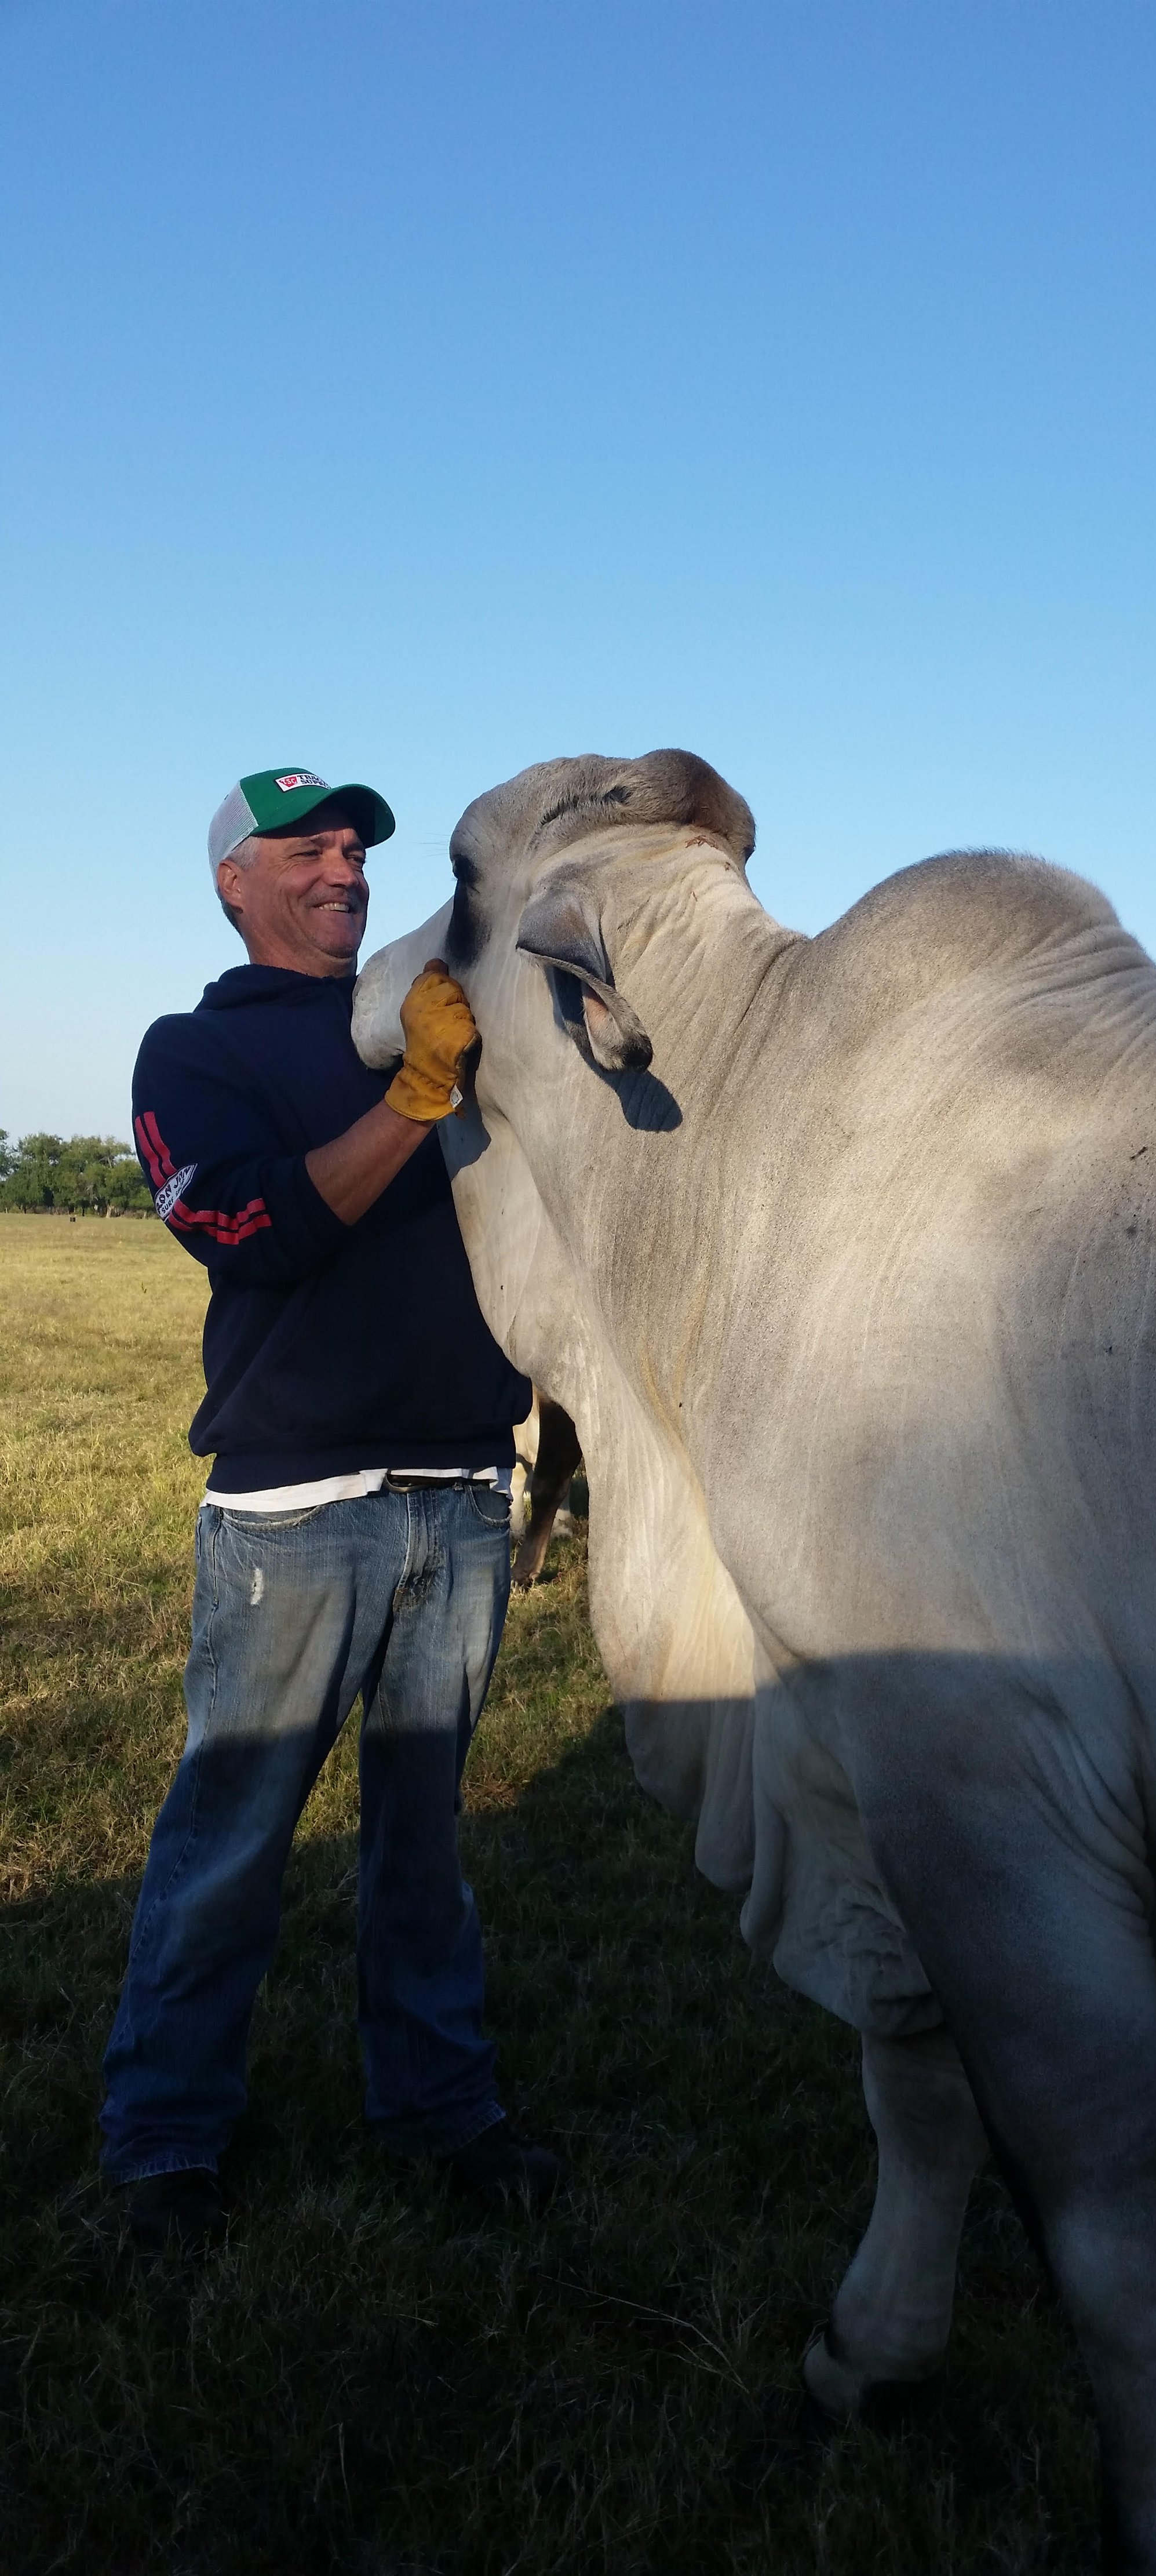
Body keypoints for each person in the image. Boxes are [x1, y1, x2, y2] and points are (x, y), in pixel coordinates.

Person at [101, 764, 559, 2250]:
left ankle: (439, 2103)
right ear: (235, 882)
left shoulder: (431, 1007)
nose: (344, 866)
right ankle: (166, 2134)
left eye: (355, 844)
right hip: (300, 1503)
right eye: (305, 847)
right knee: (231, 1837)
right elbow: (252, 1232)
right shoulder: (191, 1053)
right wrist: (417, 1098)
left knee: (424, 1841)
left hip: (465, 1493)